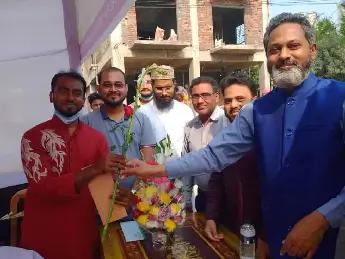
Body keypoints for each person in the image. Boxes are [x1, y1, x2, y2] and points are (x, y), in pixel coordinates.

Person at [125, 13, 345, 259]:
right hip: (276, 239)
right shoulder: (257, 110)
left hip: (333, 239)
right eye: (275, 49)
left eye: (294, 46)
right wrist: (154, 170)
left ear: (312, 51)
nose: (284, 55)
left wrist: (324, 217)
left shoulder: (339, 98)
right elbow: (214, 155)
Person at [20, 71, 126, 259]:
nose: (70, 97)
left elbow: (104, 187)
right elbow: (44, 187)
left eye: (77, 93)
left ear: (84, 98)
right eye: (63, 91)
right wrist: (95, 169)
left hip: (83, 233)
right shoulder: (33, 137)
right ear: (51, 96)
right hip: (44, 234)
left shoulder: (96, 139)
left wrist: (120, 197)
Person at [203, 72, 269, 258]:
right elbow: (216, 180)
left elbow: (279, 191)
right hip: (232, 228)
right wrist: (210, 217)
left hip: (266, 232)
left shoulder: (269, 136)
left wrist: (266, 235)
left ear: (255, 99)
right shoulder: (224, 138)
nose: (234, 105)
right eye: (228, 100)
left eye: (241, 99)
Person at [80, 67, 156, 218]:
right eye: (107, 85)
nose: (113, 89)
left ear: (126, 88)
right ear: (99, 88)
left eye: (118, 85)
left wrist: (132, 194)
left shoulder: (141, 119)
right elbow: (83, 166)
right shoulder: (85, 123)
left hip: (136, 202)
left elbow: (148, 163)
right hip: (101, 204)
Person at [182, 76, 228, 212]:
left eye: (205, 95)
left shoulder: (228, 122)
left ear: (217, 96)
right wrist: (187, 199)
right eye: (195, 96)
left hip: (229, 199)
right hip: (203, 198)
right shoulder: (190, 127)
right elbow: (187, 166)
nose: (200, 101)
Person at [137, 65, 194, 156]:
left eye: (168, 88)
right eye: (159, 88)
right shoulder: (142, 113)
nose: (164, 93)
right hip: (152, 168)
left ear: (174, 84)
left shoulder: (185, 111)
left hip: (180, 167)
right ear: (152, 85)